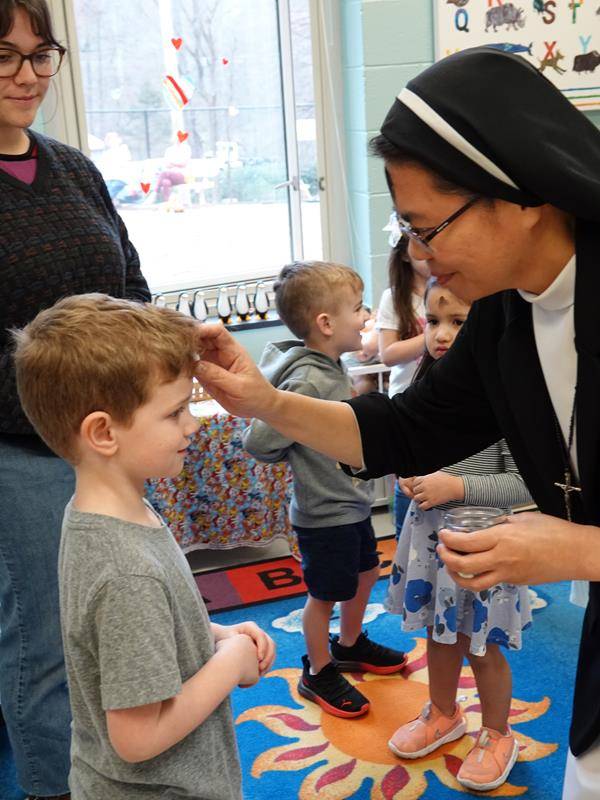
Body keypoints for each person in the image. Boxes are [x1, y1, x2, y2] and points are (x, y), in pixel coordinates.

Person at [191, 47, 600, 799]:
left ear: (520, 195)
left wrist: (583, 547)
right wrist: (266, 403)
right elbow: (405, 430)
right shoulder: (509, 314)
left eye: (428, 228)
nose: (419, 259)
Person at [12, 293, 276, 800]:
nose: (193, 425)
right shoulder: (125, 569)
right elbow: (137, 738)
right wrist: (231, 661)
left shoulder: (104, 512)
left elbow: (122, 639)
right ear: (104, 432)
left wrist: (213, 634)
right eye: (176, 411)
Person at [0, 3, 150, 798]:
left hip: (107, 444)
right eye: (5, 54)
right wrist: (70, 421)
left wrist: (162, 360)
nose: (28, 74)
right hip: (27, 457)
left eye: (41, 53)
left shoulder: (72, 167)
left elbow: (130, 285)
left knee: (116, 630)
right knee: (46, 651)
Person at [386, 280, 533, 792]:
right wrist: (406, 471)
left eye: (459, 323)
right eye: (433, 322)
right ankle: (443, 714)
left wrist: (459, 485)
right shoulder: (423, 391)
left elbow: (524, 484)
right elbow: (405, 447)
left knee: (483, 647)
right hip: (431, 545)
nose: (442, 335)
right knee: (437, 636)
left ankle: (498, 734)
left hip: (487, 548)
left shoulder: (507, 400)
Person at [243, 261, 407, 718]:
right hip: (324, 513)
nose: (366, 316)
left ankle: (350, 644)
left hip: (350, 506)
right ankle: (317, 671)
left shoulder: (331, 366)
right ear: (326, 323)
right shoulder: (310, 378)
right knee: (324, 595)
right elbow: (258, 440)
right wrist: (293, 450)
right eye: (358, 309)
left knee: (365, 574)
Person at [376, 232, 430, 535]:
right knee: (409, 477)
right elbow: (389, 353)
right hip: (407, 399)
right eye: (423, 249)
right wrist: (430, 338)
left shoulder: (449, 288)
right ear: (406, 254)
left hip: (443, 397)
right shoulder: (395, 297)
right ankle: (405, 538)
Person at [156, 135, 192, 204]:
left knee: (163, 173)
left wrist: (172, 163)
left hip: (183, 176)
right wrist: (177, 164)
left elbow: (184, 164)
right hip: (170, 175)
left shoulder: (186, 149)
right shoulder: (169, 150)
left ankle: (156, 191)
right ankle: (168, 203)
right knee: (165, 182)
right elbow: (167, 164)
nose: (178, 140)